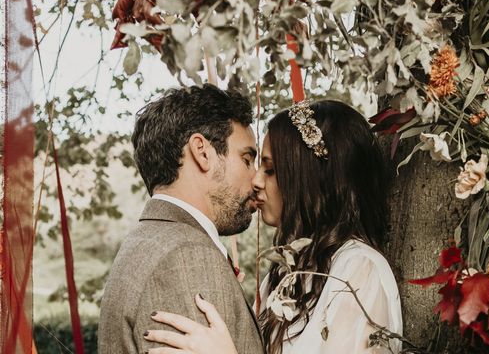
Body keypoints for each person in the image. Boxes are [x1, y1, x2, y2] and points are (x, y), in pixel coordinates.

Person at [144, 100, 403, 354]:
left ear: (308, 177)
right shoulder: (281, 277)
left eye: (269, 169)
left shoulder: (358, 270)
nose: (255, 181)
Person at [98, 84, 264, 354]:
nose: (256, 179)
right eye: (246, 159)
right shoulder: (187, 256)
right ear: (202, 151)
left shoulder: (146, 241)